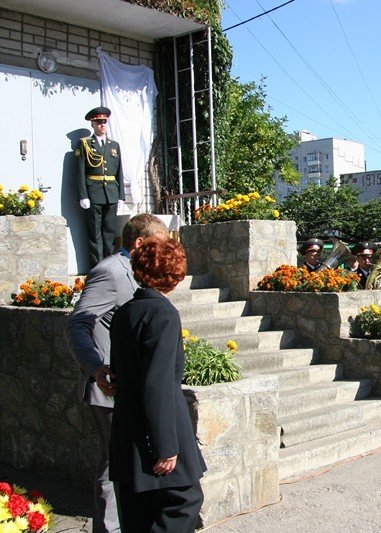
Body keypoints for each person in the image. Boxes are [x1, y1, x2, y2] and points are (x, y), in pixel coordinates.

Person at [66, 213, 168, 533]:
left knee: (124, 463)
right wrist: (95, 368)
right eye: (158, 246)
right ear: (139, 243)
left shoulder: (138, 273)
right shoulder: (109, 272)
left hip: (133, 388)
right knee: (113, 465)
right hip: (110, 388)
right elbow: (78, 323)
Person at [109, 237, 206, 532]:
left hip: (128, 426)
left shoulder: (126, 311)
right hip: (156, 433)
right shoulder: (162, 313)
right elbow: (158, 383)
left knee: (138, 511)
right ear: (175, 274)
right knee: (183, 503)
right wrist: (165, 447)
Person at [76, 106, 125, 268]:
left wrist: (121, 196)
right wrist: (83, 195)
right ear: (92, 124)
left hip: (110, 193)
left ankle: (109, 266)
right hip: (94, 193)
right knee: (95, 233)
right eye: (98, 122)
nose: (101, 125)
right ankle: (97, 267)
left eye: (104, 122)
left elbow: (119, 171)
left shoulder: (114, 145)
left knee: (109, 231)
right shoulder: (85, 144)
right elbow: (80, 172)